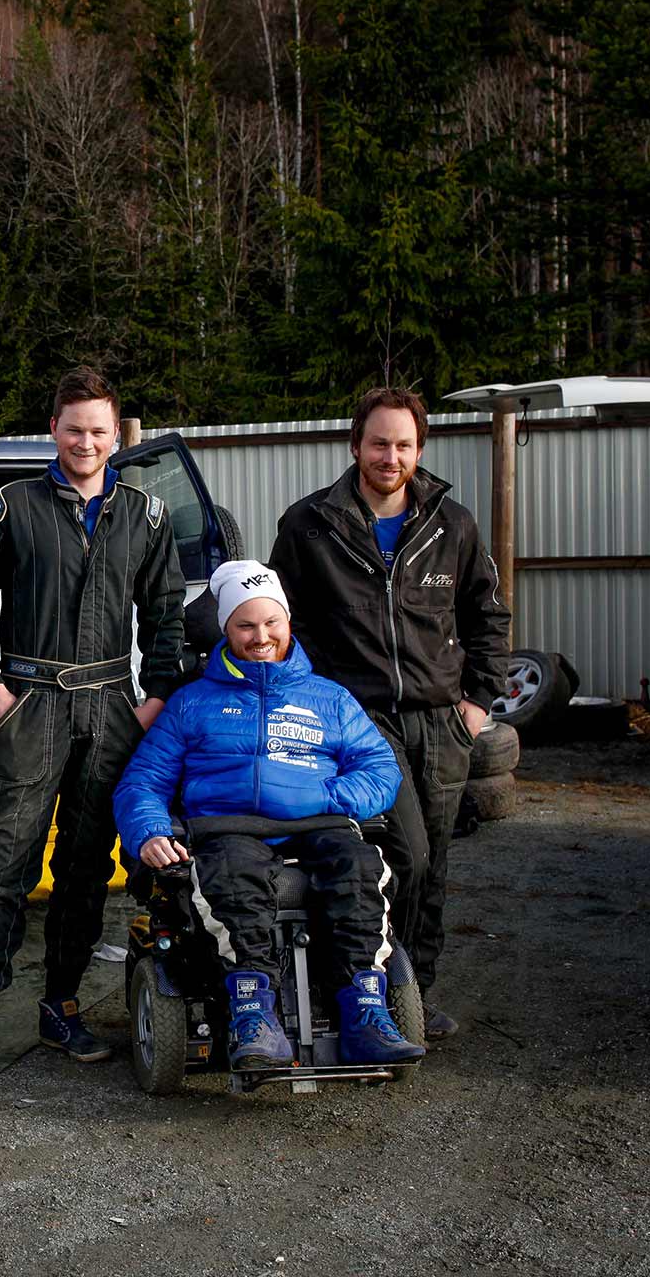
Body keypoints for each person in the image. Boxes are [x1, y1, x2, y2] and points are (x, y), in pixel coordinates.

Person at [0, 366, 186, 1082]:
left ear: (115, 434)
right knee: (4, 863)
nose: (85, 442)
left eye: (98, 430)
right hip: (31, 703)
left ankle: (60, 1006)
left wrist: (153, 698)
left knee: (89, 869)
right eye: (73, 429)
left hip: (112, 706)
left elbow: (165, 616)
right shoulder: (7, 509)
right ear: (54, 430)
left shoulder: (145, 516)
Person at [267, 386, 511, 1041]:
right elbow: (278, 624)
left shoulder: (450, 525)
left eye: (403, 444)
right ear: (355, 445)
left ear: (419, 450)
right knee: (403, 851)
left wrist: (477, 703)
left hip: (442, 721)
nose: (390, 456)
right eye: (379, 442)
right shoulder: (309, 525)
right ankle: (366, 986)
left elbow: (487, 617)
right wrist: (306, 705)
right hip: (358, 719)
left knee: (431, 864)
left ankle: (412, 995)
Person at [113, 561, 423, 1068]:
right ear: (227, 630)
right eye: (246, 625)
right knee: (232, 876)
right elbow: (142, 782)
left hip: (319, 822)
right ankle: (254, 1013)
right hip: (228, 829)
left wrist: (332, 797)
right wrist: (149, 831)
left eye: (271, 623)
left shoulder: (330, 699)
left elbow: (380, 769)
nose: (261, 637)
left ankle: (366, 1010)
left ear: (287, 623)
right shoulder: (192, 703)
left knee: (361, 867)